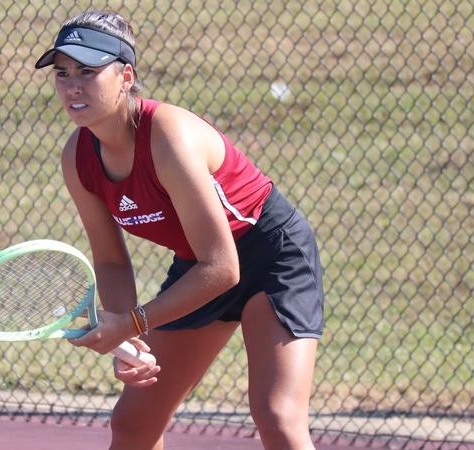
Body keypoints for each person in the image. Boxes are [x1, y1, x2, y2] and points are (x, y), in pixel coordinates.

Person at [34, 10, 324, 450]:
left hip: (272, 257)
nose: (73, 85)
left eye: (88, 71)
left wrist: (132, 322)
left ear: (126, 76)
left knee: (277, 416)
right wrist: (124, 337)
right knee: (133, 423)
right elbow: (111, 258)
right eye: (62, 73)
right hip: (200, 265)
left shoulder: (167, 134)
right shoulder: (78, 156)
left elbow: (224, 267)